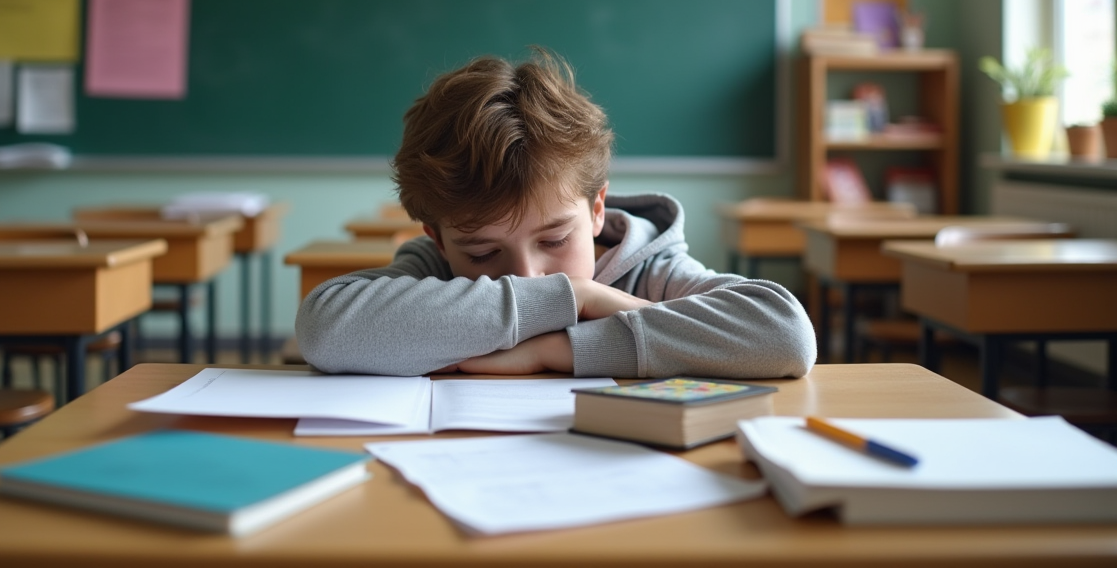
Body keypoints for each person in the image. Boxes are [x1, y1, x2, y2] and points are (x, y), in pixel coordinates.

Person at [295, 50, 816, 378]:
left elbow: (784, 335)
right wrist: (575, 296)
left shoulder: (649, 271)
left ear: (595, 210)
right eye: (481, 252)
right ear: (437, 238)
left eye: (552, 240)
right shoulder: (432, 267)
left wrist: (557, 351)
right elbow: (325, 330)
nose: (526, 275)